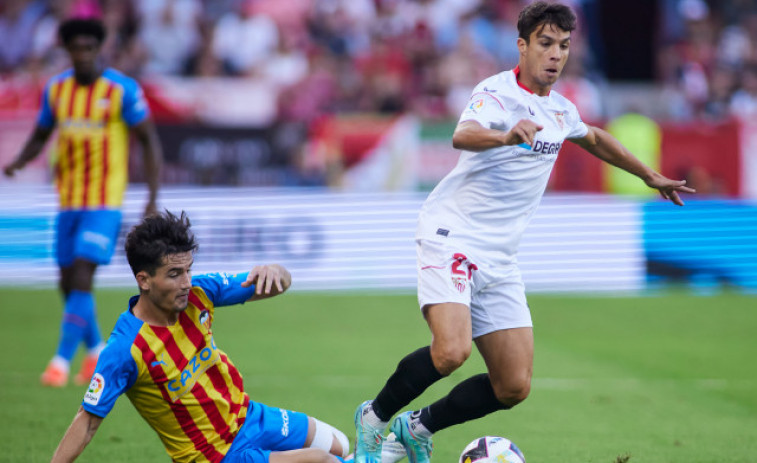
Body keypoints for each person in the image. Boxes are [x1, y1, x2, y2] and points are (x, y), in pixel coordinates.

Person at [353, 2, 696, 463]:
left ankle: (416, 428)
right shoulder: (495, 93)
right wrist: (506, 136)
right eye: (546, 43)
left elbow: (592, 137)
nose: (556, 55)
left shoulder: (560, 109)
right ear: (523, 45)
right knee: (452, 351)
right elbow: (463, 133)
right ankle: (373, 420)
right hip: (451, 235)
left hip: (500, 257)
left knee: (513, 385)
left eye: (564, 46)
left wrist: (647, 174)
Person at [51, 211, 355, 463]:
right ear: (143, 279)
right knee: (322, 461)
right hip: (215, 456)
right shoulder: (125, 350)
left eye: (188, 270)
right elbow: (87, 420)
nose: (185, 282)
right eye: (174, 274)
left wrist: (276, 271)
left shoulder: (200, 293)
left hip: (249, 418)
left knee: (339, 444)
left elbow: (274, 284)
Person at [3, 18, 162, 387]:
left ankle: (59, 361)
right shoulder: (57, 90)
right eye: (78, 48)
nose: (85, 55)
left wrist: (152, 197)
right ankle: (95, 352)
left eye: (91, 48)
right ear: (69, 51)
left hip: (105, 201)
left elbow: (149, 141)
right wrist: (20, 161)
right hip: (68, 200)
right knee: (67, 282)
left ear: (100, 49)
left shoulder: (122, 89)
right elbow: (41, 132)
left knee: (81, 274)